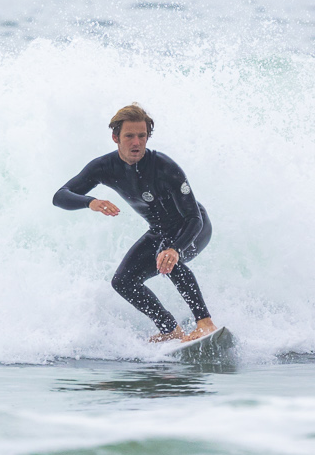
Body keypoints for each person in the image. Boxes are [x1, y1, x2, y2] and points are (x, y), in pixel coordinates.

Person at [53, 103, 217, 343]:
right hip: (159, 232)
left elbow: (194, 218)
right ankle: (170, 329)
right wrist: (91, 202)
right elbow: (60, 196)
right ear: (115, 137)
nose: (136, 143)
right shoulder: (104, 167)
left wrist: (175, 248)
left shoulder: (165, 167)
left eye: (142, 136)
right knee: (123, 282)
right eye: (129, 136)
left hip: (192, 228)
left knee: (168, 257)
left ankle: (205, 323)